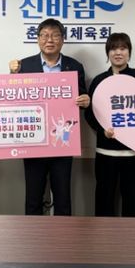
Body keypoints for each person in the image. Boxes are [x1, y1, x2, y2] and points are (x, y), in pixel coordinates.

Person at [9, 18, 89, 216]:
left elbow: (81, 97)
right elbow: (13, 101)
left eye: (55, 35)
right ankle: (32, 235)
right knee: (33, 197)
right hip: (33, 142)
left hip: (63, 142)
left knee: (63, 197)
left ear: (63, 39)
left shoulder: (74, 66)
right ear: (37, 39)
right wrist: (12, 76)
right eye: (44, 35)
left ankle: (64, 235)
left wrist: (86, 100)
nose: (50, 40)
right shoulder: (24, 66)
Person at [85, 32, 135, 217]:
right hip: (105, 152)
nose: (118, 52)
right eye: (113, 48)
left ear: (129, 52)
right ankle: (102, 235)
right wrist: (102, 131)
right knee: (104, 200)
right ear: (108, 53)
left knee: (131, 200)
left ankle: (129, 236)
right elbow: (89, 113)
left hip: (134, 153)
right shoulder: (99, 80)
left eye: (123, 48)